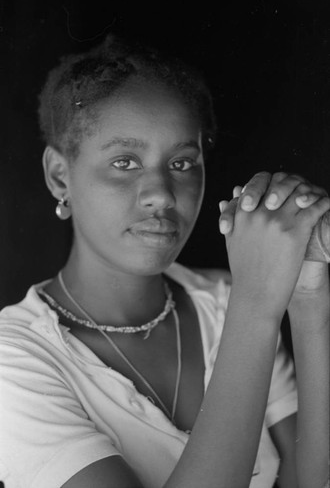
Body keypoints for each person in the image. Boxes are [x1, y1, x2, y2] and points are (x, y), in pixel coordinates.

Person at [0, 34, 329, 488]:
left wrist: (307, 297)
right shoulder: (14, 361)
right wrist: (256, 306)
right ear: (60, 176)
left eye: (181, 163)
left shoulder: (222, 303)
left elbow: (312, 480)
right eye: (125, 162)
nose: (160, 194)